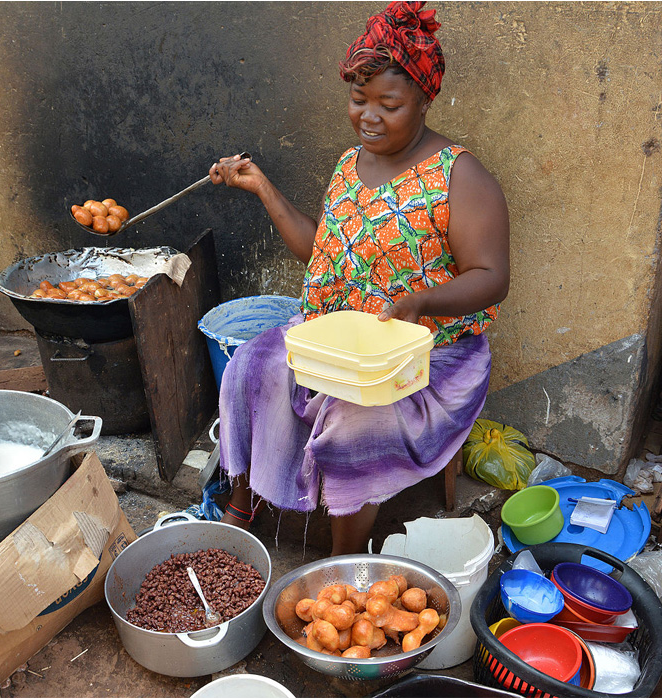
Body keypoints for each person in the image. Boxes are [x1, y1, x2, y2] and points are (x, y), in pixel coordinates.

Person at [208, 1, 510, 556]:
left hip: (424, 358)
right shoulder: (351, 164)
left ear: (423, 99)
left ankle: (342, 557)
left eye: (388, 104)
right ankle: (242, 501)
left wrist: (423, 302)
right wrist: (263, 188)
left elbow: (492, 277)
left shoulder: (460, 176)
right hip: (339, 336)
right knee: (252, 365)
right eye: (358, 99)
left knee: (354, 421)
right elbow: (321, 249)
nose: (369, 116)